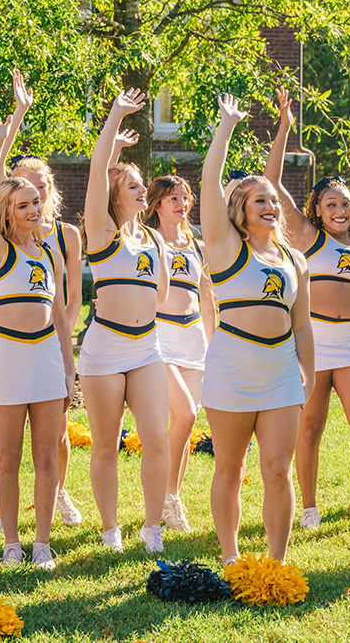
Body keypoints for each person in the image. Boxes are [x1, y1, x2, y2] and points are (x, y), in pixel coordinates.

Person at [265, 89, 350, 536]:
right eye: (330, 204)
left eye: (345, 203)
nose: (340, 209)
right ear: (317, 210)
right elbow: (272, 179)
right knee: (310, 426)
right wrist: (284, 126)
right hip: (312, 342)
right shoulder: (306, 237)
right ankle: (310, 509)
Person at [202, 93, 313, 564]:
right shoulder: (225, 247)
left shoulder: (295, 258)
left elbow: (302, 324)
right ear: (239, 210)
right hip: (231, 369)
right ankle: (230, 558)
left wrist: (306, 371)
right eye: (258, 200)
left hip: (282, 372)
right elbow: (209, 181)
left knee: (277, 469)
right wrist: (225, 126)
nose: (269, 205)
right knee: (230, 467)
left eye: (272, 199)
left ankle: (276, 561)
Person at [0, 102, 76, 569]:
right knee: (8, 458)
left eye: (37, 201)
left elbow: (59, 318)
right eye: (23, 205)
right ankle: (11, 542)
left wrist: (69, 369)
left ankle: (41, 544)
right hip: (10, 356)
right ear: (8, 212)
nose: (34, 209)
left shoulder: (50, 253)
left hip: (47, 360)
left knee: (48, 459)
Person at [78, 88, 172, 554]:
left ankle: (151, 527)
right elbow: (97, 169)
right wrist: (115, 115)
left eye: (142, 184)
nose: (142, 189)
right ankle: (110, 528)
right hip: (104, 349)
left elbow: (162, 294)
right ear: (116, 194)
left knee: (158, 436)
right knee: (106, 444)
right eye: (133, 184)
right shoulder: (102, 232)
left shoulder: (155, 239)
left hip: (147, 347)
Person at [1, 70, 86, 527]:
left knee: (58, 434)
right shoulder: (5, 235)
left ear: (48, 189)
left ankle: (58, 491)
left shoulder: (65, 235)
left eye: (40, 185)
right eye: (23, 185)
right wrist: (15, 117)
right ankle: (16, 512)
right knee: (15, 442)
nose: (33, 193)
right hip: (17, 344)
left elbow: (69, 296)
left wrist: (64, 340)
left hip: (56, 336)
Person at [140, 172, 214, 532]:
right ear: (157, 205)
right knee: (184, 416)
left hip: (195, 338)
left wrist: (215, 347)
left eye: (185, 197)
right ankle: (167, 498)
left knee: (186, 426)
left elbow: (207, 299)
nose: (182, 204)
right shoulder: (148, 241)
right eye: (173, 198)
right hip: (160, 338)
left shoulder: (196, 244)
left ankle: (172, 501)